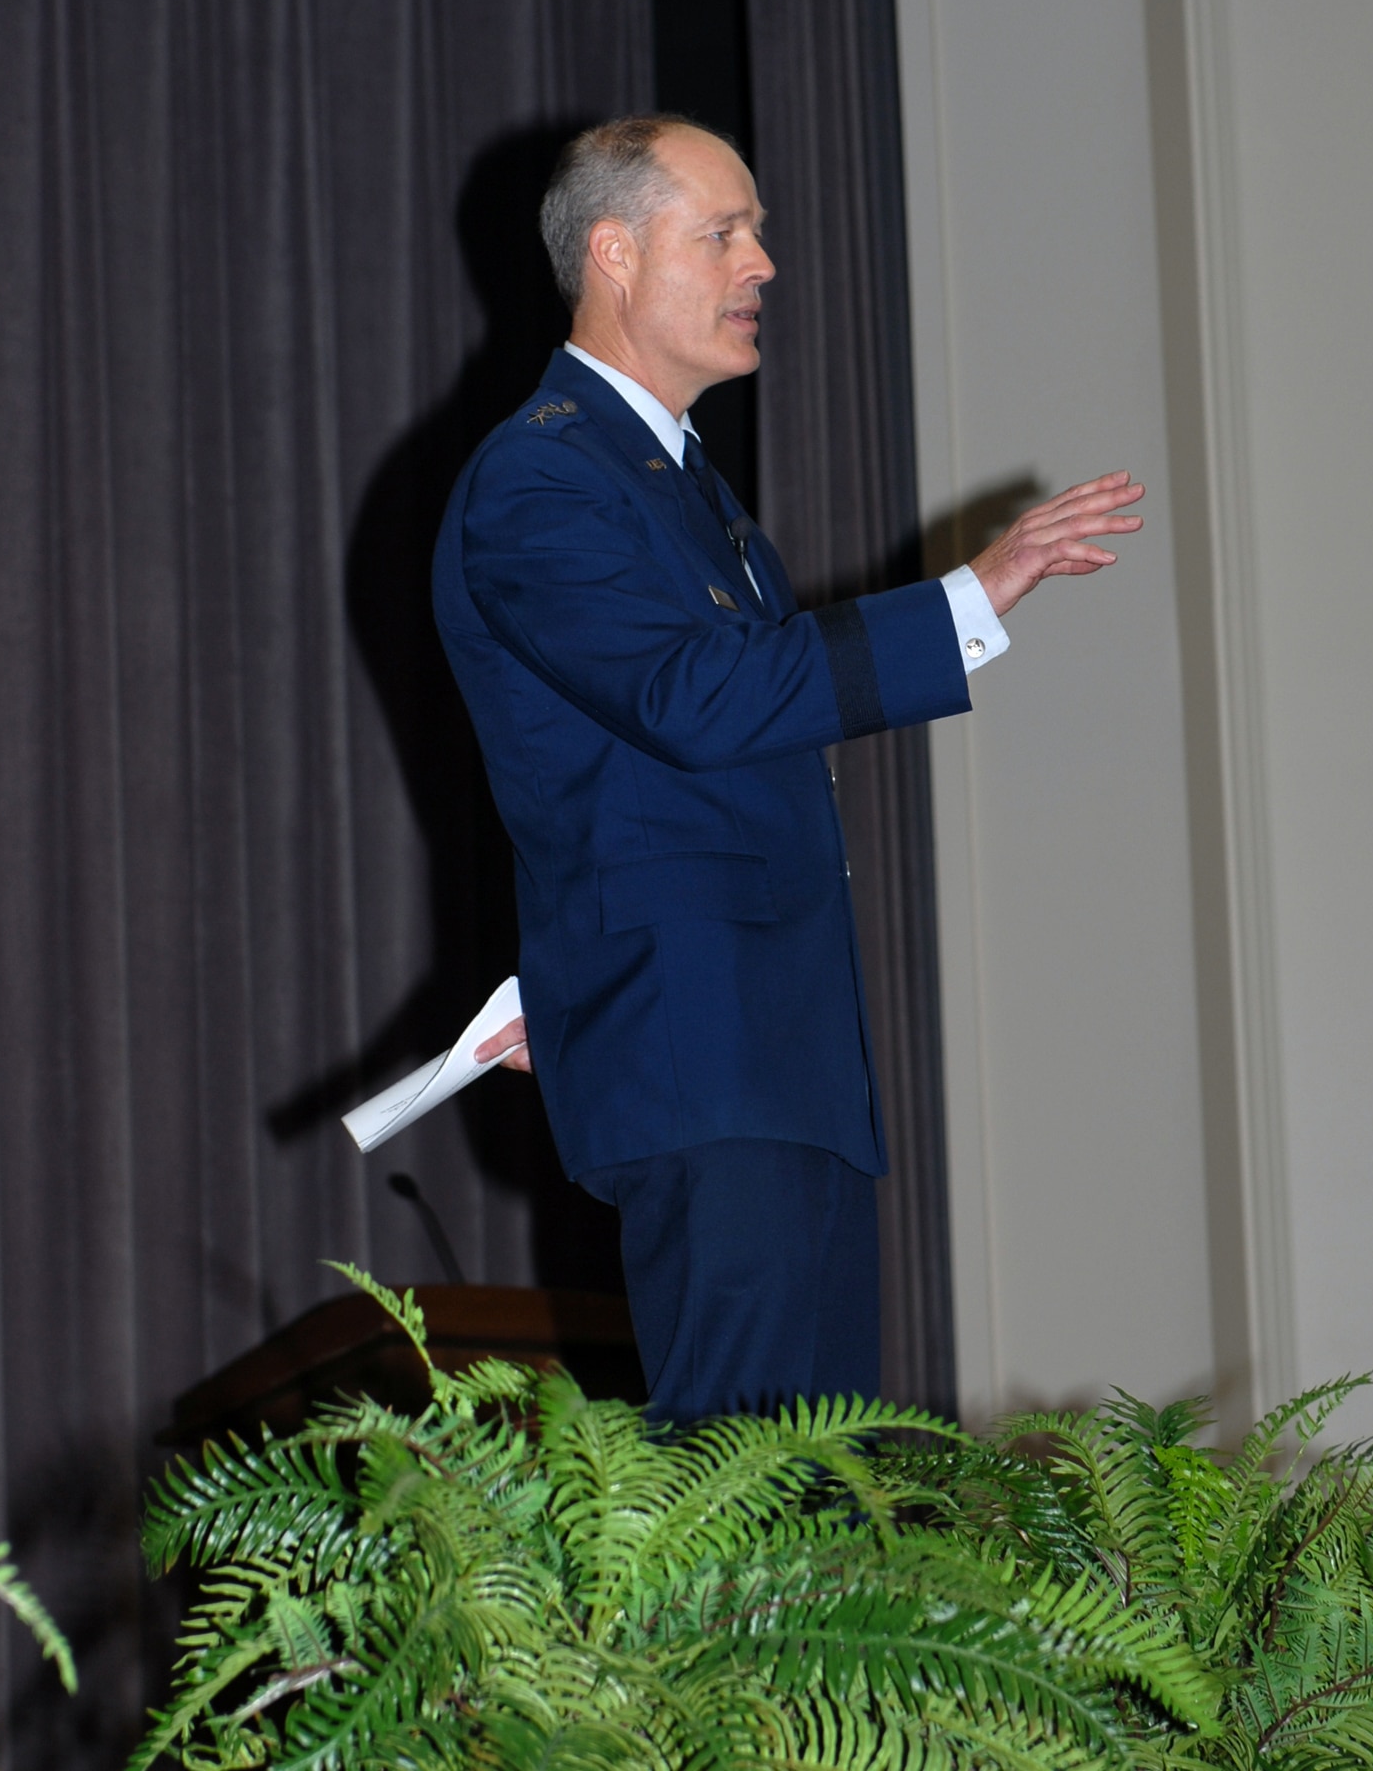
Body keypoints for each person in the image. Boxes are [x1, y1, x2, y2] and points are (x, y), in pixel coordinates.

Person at [434, 114, 1142, 1421]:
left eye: (755, 232)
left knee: (816, 1498)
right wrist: (971, 598)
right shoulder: (544, 476)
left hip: (774, 1051)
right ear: (613, 254)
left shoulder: (678, 487)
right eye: (724, 234)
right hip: (702, 1052)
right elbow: (694, 701)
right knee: (741, 1496)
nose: (762, 263)